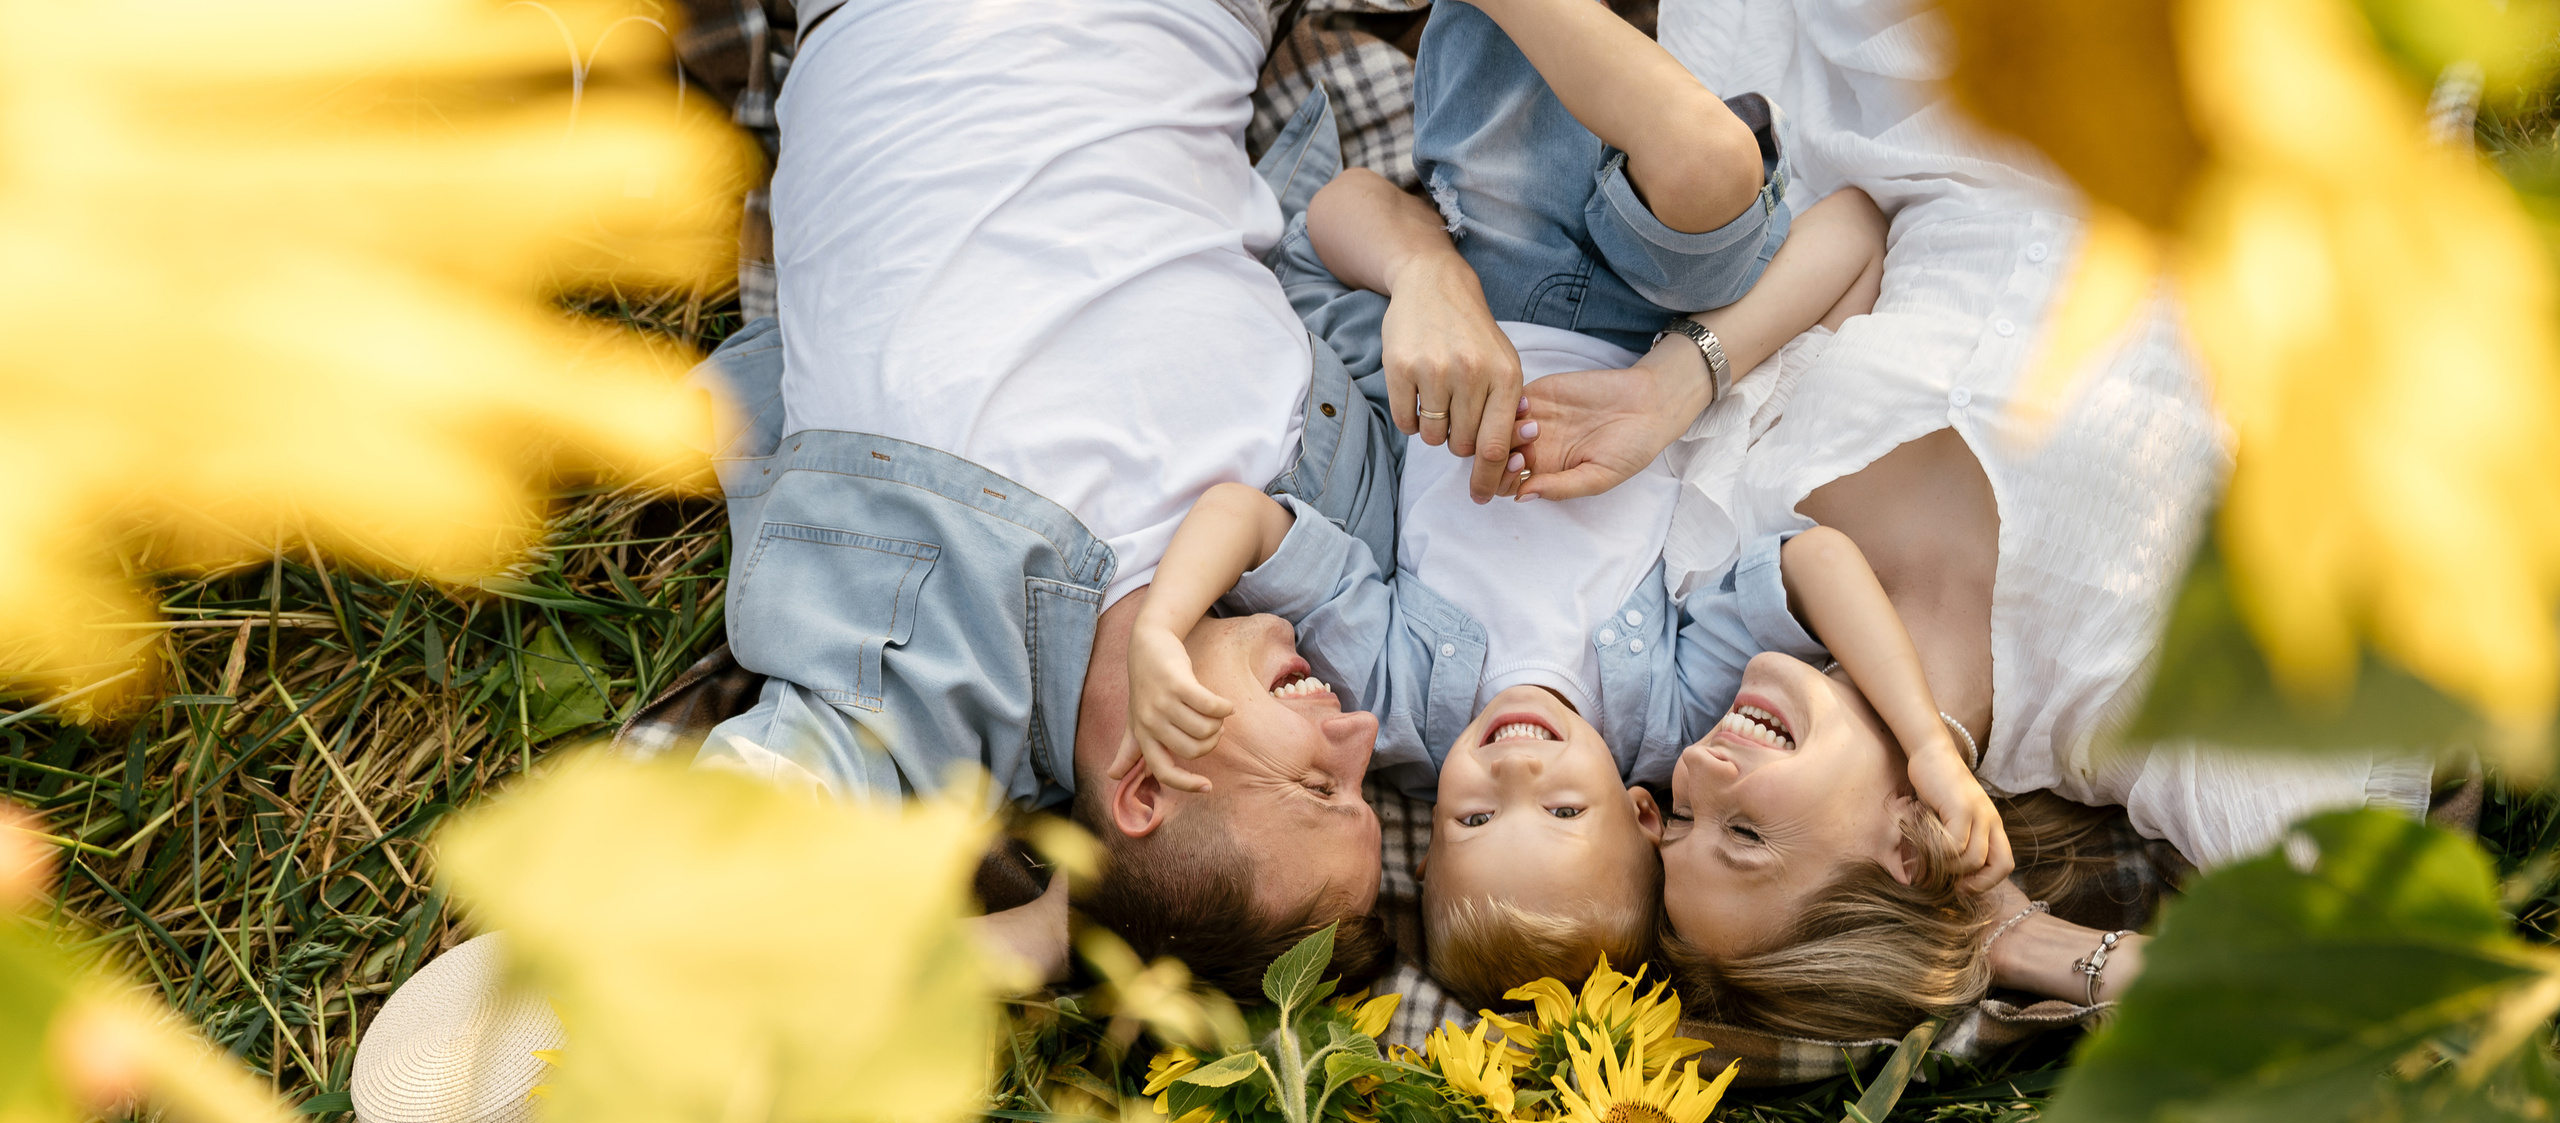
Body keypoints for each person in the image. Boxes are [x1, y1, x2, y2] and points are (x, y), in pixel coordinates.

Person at [1118, 0, 2001, 1010]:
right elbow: (1816, 564)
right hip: (1654, 320)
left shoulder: (1394, 696)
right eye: (1566, 812)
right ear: (1641, 814)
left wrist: (1164, 624)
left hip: (1491, 275)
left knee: (1431, 163)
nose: (1516, 777)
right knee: (1707, 176)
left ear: (1427, 834)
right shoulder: (1668, 718)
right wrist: (1925, 746)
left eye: (1474, 821)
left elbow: (1244, 517)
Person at [1626, 0, 2433, 1038]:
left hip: (1936, 76)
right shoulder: (2121, 700)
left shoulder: (1724, 550)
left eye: (1683, 817)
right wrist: (2016, 938)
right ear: (1904, 851)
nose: (1695, 769)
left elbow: (1854, 234)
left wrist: (1679, 378)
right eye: (1741, 833)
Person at [682, 0, 1423, 1000]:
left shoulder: (930, 697)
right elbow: (1399, 298)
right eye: (1363, 784)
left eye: (1319, 783)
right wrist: (1433, 279)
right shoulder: (1331, 539)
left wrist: (1056, 934)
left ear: (1145, 788)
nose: (1362, 734)